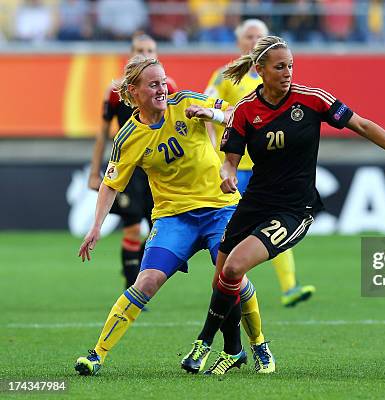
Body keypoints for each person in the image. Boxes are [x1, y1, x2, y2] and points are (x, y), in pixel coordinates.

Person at [187, 35, 385, 375]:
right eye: (279, 67)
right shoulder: (246, 110)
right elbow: (230, 160)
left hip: (294, 209)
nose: (288, 72)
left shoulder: (312, 99)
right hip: (255, 203)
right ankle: (251, 347)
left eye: (291, 65)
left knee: (233, 269)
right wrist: (227, 174)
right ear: (260, 70)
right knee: (222, 277)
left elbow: (362, 124)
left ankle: (203, 342)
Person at [75, 55, 274, 376]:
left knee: (231, 275)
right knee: (147, 281)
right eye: (153, 84)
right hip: (173, 218)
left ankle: (260, 345)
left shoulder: (187, 102)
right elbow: (111, 184)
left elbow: (237, 114)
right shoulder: (127, 137)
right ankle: (96, 355)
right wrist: (96, 227)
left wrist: (209, 112)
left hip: (219, 208)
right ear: (134, 92)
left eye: (163, 82)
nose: (162, 89)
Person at [204, 18, 315, 308]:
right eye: (249, 36)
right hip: (237, 167)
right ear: (239, 42)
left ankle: (289, 286)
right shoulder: (226, 78)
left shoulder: (280, 82)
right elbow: (208, 108)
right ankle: (225, 284)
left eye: (260, 37)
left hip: (268, 170)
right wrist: (218, 152)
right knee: (231, 232)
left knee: (277, 222)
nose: (254, 41)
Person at [89, 34, 177, 297]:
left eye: (150, 50)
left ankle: (138, 273)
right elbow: (103, 132)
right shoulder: (116, 91)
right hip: (129, 170)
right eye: (140, 50)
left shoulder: (168, 87)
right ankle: (131, 288)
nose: (145, 54)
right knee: (131, 226)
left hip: (156, 168)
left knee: (157, 229)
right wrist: (95, 172)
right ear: (130, 54)